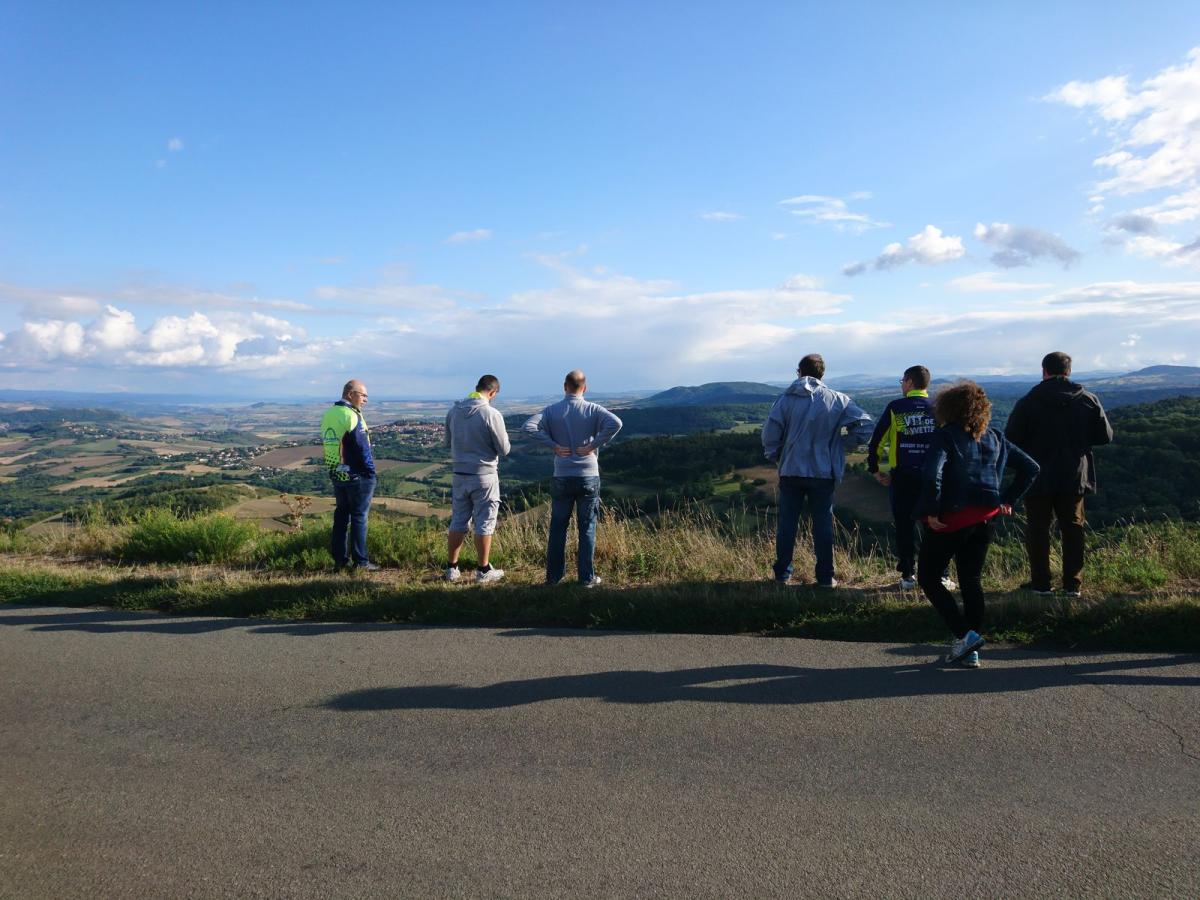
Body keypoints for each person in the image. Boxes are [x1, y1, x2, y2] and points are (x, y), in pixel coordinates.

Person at [915, 381, 1039, 668]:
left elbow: (932, 474)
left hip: (952, 518)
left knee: (928, 577)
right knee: (971, 579)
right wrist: (1007, 499)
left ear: (948, 408)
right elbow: (1031, 468)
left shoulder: (946, 435)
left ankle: (965, 636)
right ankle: (970, 651)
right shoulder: (994, 436)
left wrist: (932, 510)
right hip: (986, 517)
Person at [1005, 351, 1113, 597]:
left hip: (1037, 474)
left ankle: (1041, 584)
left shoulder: (1028, 401)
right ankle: (1072, 585)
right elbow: (1105, 436)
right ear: (1069, 371)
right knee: (1073, 528)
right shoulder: (1088, 399)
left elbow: (1011, 439)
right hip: (1074, 473)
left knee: (1038, 530)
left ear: (1044, 370)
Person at [762, 353, 874, 587]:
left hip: (791, 470)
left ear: (799, 372)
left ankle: (782, 575)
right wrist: (841, 444)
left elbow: (771, 432)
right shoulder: (838, 399)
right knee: (822, 525)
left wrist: (775, 455)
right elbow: (865, 426)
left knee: (787, 524)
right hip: (823, 472)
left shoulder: (785, 399)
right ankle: (825, 577)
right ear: (822, 374)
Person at [522, 370, 623, 587]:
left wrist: (553, 445)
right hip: (588, 475)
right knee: (587, 528)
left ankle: (553, 578)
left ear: (565, 387)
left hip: (562, 475)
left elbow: (528, 427)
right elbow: (616, 423)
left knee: (558, 528)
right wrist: (593, 445)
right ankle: (586, 578)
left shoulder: (551, 411)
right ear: (585, 388)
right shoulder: (593, 409)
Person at [867, 364, 944, 590]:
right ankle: (940, 575)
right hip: (935, 477)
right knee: (935, 526)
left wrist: (875, 469)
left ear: (909, 382)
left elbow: (877, 442)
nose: (902, 385)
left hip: (903, 477)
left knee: (904, 527)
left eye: (902, 381)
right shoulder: (939, 407)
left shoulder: (896, 407)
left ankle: (908, 576)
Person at [444, 375, 512, 584]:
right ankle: (483, 570)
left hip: (459, 474)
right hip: (484, 476)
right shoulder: (491, 413)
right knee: (485, 522)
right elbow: (504, 449)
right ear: (492, 392)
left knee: (458, 520)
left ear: (477, 388)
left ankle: (452, 568)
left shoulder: (453, 411)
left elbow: (447, 442)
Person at [321, 379, 378, 571]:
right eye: (363, 395)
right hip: (357, 475)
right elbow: (362, 448)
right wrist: (370, 472)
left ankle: (340, 561)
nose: (365, 400)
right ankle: (361, 562)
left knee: (341, 517)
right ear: (350, 394)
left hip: (336, 473)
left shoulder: (329, 413)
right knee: (359, 517)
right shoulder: (351, 415)